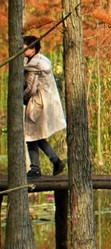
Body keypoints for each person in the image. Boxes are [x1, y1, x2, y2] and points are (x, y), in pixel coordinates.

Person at [21, 35, 65, 177]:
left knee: (31, 136)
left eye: (24, 47)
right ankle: (54, 161)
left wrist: (22, 98)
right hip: (44, 102)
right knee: (36, 136)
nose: (21, 49)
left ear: (32, 49)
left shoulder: (34, 65)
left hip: (37, 103)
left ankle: (36, 168)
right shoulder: (41, 61)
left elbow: (31, 88)